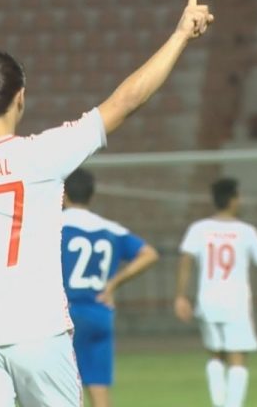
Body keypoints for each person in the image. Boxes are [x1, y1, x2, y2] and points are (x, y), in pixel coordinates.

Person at [0, 0, 213, 406]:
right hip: (39, 333)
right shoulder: (42, 154)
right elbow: (126, 101)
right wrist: (179, 36)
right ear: (21, 99)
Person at [175, 178, 257, 407]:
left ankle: (219, 404)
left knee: (215, 354)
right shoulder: (245, 231)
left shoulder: (199, 229)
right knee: (237, 357)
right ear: (233, 200)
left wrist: (181, 296)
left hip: (208, 301)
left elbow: (186, 260)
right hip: (235, 302)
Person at [61, 168, 159, 407]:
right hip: (99, 312)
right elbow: (149, 254)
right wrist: (114, 283)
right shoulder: (111, 229)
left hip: (64, 315)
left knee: (62, 389)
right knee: (99, 388)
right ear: (91, 195)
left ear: (63, 194)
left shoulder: (54, 226)